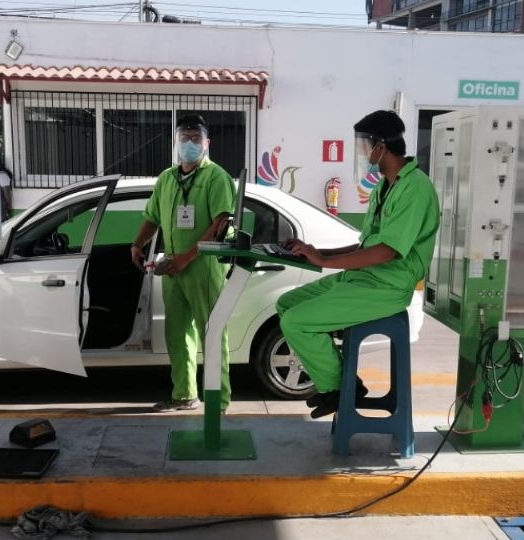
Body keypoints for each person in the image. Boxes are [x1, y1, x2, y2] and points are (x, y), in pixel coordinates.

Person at [276, 110, 440, 419]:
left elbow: (386, 252)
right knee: (287, 303)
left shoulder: (414, 187)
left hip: (388, 286)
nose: (362, 153)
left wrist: (325, 261)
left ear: (381, 146)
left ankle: (339, 387)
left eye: (364, 145)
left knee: (296, 322)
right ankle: (341, 379)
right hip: (364, 277)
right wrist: (316, 250)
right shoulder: (384, 186)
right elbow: (367, 244)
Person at [131, 114, 236, 413]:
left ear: (206, 143)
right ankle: (185, 394)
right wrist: (136, 245)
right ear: (176, 143)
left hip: (202, 267)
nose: (189, 144)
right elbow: (151, 217)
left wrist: (187, 258)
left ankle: (219, 402)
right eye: (184, 139)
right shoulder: (167, 178)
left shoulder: (216, 177)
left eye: (195, 139)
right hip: (172, 268)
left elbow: (221, 222)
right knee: (177, 334)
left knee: (212, 333)